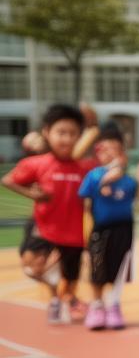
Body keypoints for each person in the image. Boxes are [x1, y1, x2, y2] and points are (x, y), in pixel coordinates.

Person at [2, 104, 95, 324]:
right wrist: (32, 194)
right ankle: (57, 295)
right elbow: (7, 180)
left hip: (73, 235)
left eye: (72, 134)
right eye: (61, 133)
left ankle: (63, 300)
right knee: (31, 266)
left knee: (70, 279)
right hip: (44, 229)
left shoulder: (83, 167)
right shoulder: (37, 164)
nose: (66, 139)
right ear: (47, 133)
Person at [78, 123, 137, 330]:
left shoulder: (129, 180)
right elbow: (86, 206)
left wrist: (117, 172)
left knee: (118, 268)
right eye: (105, 148)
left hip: (124, 228)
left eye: (115, 148)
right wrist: (85, 233)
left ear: (122, 152)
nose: (110, 152)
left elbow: (130, 195)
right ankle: (96, 305)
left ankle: (113, 305)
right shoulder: (93, 176)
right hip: (100, 229)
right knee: (97, 268)